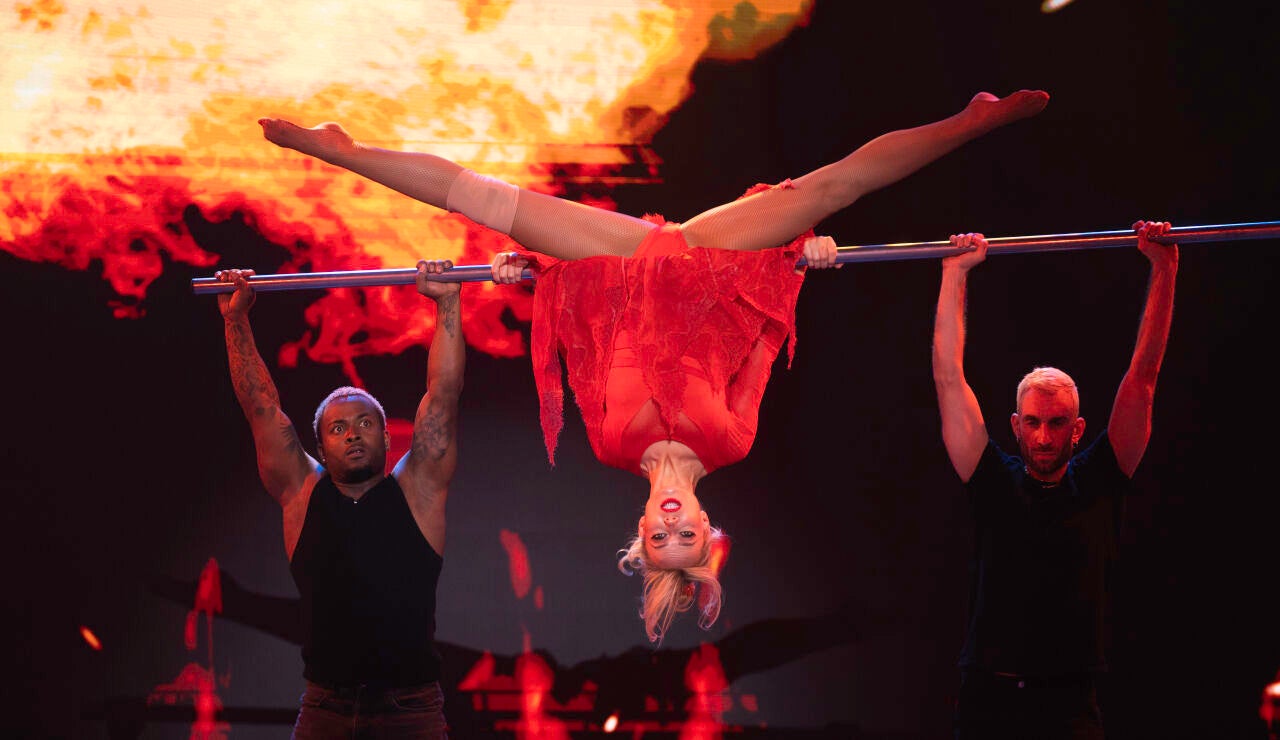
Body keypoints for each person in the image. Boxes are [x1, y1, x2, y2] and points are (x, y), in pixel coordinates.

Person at [259, 88, 1050, 643]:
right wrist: (805, 261)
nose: (673, 527)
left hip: (627, 263)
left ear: (641, 530)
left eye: (661, 541)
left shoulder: (607, 447)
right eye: (688, 539)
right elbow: (767, 341)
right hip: (707, 261)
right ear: (708, 527)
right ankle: (970, 124)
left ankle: (340, 151)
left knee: (483, 199)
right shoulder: (731, 443)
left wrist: (532, 273)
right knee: (827, 191)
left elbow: (585, 342)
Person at [931, 221, 1179, 739]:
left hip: (1067, 705)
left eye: (1058, 423)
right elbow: (949, 378)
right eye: (1034, 424)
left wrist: (1165, 268)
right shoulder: (992, 479)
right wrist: (954, 273)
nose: (1045, 437)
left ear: (1077, 428)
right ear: (1016, 426)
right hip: (988, 700)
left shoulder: (1101, 480)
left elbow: (1144, 377)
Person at [215, 258, 465, 739]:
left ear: (388, 439)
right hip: (326, 709)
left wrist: (448, 303)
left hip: (410, 710)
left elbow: (444, 393)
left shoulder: (418, 489)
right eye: (338, 428)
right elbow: (261, 407)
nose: (352, 434)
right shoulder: (301, 493)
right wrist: (235, 320)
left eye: (365, 423)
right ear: (320, 446)